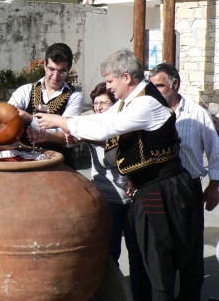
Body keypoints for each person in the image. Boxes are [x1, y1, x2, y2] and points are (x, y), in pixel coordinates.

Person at [37, 49, 201, 301]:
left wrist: (60, 121)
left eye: (110, 81)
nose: (108, 87)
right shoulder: (131, 101)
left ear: (126, 77)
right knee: (151, 260)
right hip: (150, 188)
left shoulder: (145, 103)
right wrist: (63, 128)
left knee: (161, 263)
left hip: (165, 189)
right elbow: (100, 120)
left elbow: (106, 127)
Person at [149, 63, 219, 300]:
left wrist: (213, 186)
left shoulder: (197, 113)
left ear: (175, 84)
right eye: (151, 86)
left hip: (189, 190)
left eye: (159, 86)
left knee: (191, 251)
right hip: (157, 189)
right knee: (160, 250)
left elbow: (215, 151)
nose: (154, 91)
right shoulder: (148, 113)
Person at [86, 82, 142, 300]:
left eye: (104, 103)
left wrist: (134, 177)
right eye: (96, 103)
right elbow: (68, 135)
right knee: (110, 253)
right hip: (106, 199)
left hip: (132, 199)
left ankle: (138, 295)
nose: (99, 107)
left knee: (137, 253)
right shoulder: (91, 125)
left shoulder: (127, 125)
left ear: (116, 105)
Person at [8, 43, 84, 169]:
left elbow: (66, 135)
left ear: (69, 69)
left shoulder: (74, 97)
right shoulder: (25, 90)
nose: (55, 76)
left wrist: (29, 119)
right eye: (52, 69)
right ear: (44, 65)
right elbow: (7, 115)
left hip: (58, 164)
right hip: (26, 161)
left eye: (61, 71)